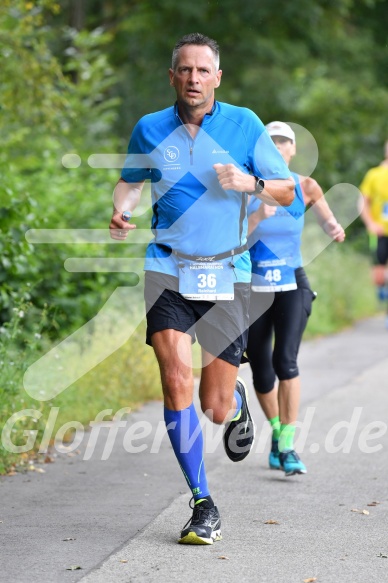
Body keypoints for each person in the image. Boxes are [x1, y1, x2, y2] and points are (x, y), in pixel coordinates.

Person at [109, 33, 294, 545]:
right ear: (172, 77)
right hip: (167, 266)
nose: (193, 79)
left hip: (227, 272)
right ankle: (202, 502)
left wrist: (249, 183)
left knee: (212, 405)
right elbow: (130, 179)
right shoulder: (149, 129)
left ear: (217, 77)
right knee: (174, 378)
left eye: (202, 71)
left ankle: (233, 398)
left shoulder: (246, 125)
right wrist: (123, 209)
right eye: (184, 71)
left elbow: (286, 189)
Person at [246, 121, 345, 476]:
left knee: (285, 361)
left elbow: (326, 219)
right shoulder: (247, 188)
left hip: (291, 284)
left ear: (292, 150)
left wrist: (333, 227)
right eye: (270, 143)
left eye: (283, 143)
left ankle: (287, 445)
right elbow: (230, 238)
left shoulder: (305, 185)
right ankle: (277, 432)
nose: (277, 147)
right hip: (254, 288)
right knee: (260, 369)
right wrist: (258, 214)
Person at [359, 141, 388, 311]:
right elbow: (363, 202)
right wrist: (370, 223)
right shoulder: (374, 174)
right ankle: (381, 294)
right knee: (378, 275)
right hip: (379, 231)